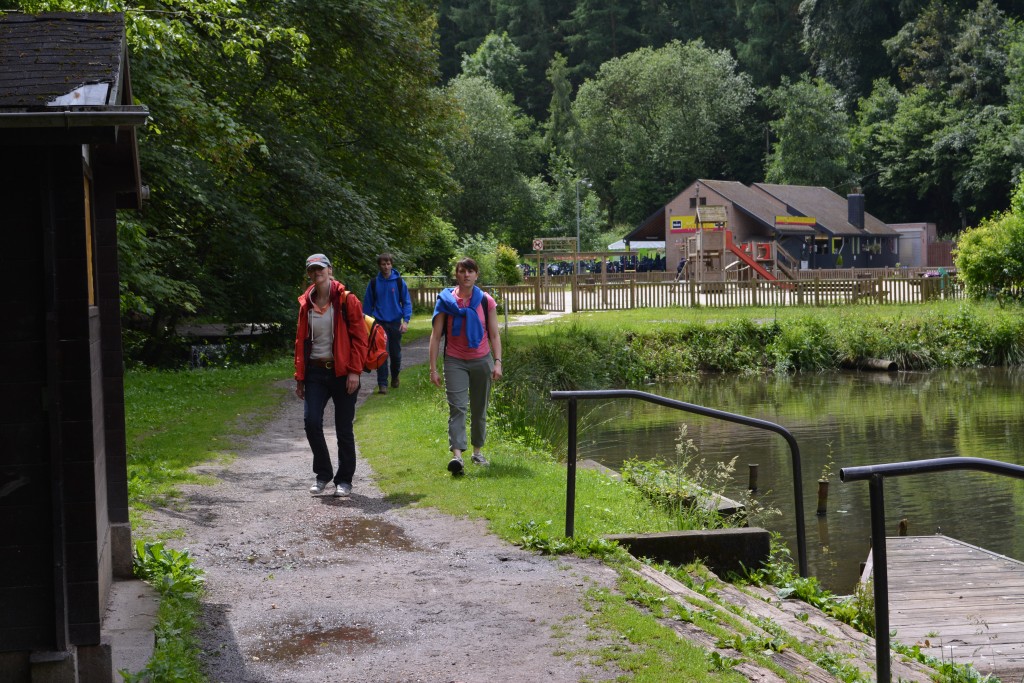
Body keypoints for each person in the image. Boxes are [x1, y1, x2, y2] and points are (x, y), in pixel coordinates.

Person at [294, 253, 368, 497]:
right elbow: (300, 341)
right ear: (309, 274)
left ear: (329, 270)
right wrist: (300, 376)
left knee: (343, 428)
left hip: (343, 372)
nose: (317, 273)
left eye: (320, 269)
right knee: (311, 422)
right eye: (312, 270)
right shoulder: (306, 303)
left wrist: (355, 371)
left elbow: (360, 339)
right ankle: (323, 474)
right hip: (315, 371)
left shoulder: (347, 300)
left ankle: (344, 480)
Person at [428, 258, 503, 476]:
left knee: (479, 409)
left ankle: (477, 452)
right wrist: (433, 369)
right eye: (462, 271)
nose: (466, 275)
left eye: (470, 271)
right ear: (457, 275)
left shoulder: (485, 301)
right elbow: (435, 337)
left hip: (482, 360)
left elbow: (495, 335)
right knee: (457, 407)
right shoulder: (445, 301)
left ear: (476, 275)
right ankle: (457, 457)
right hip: (455, 360)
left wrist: (498, 362)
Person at [363, 252, 412, 394]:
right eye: (383, 264)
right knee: (381, 354)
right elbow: (367, 306)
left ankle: (395, 376)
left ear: (392, 264)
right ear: (379, 266)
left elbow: (407, 302)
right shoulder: (373, 283)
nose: (386, 266)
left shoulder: (399, 282)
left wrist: (406, 321)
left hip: (396, 322)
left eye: (388, 263)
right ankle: (382, 384)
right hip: (379, 324)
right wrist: (365, 324)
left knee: (396, 354)